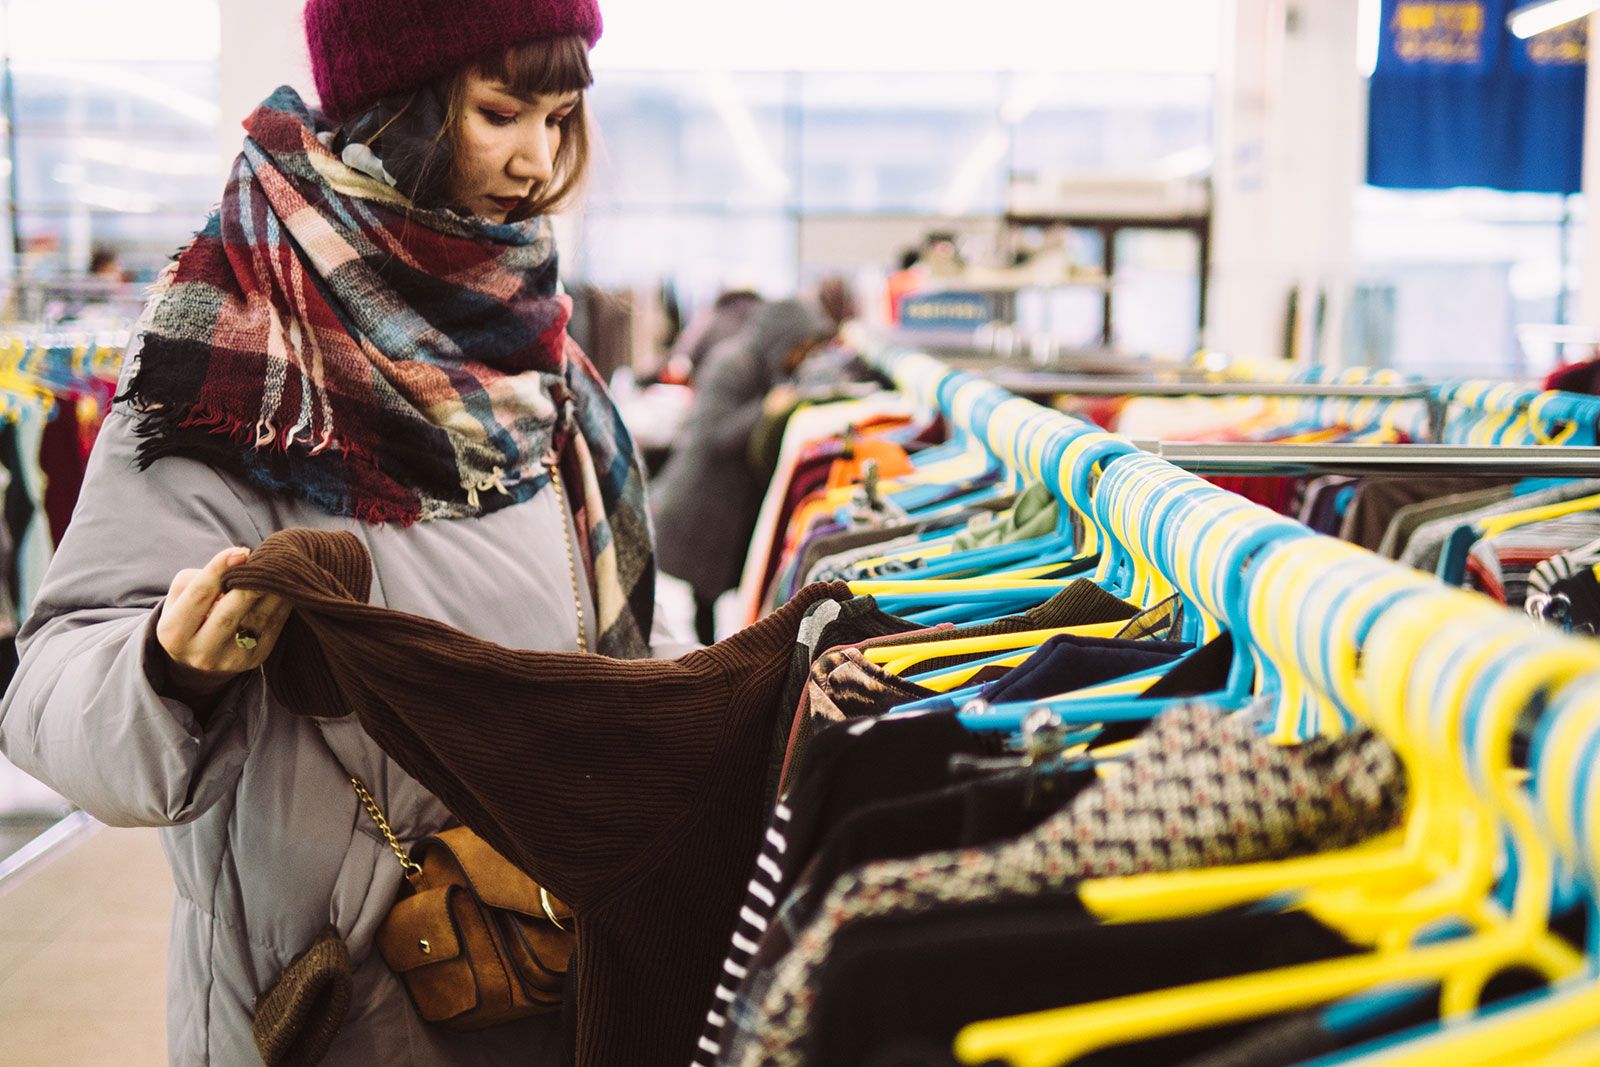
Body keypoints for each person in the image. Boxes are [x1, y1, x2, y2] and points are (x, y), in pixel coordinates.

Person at [0, 1, 690, 1063]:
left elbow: (593, 636)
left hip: (540, 960)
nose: (534, 160)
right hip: (343, 1001)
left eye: (557, 119)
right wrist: (165, 668)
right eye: (500, 112)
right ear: (395, 105)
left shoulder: (533, 345)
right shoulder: (236, 349)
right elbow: (49, 682)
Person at [651, 299, 835, 645]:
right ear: (783, 339)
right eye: (800, 347)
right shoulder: (731, 363)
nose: (801, 357)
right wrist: (766, 409)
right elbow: (712, 434)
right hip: (700, 504)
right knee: (702, 603)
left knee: (718, 599)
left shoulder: (767, 366)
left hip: (728, 509)